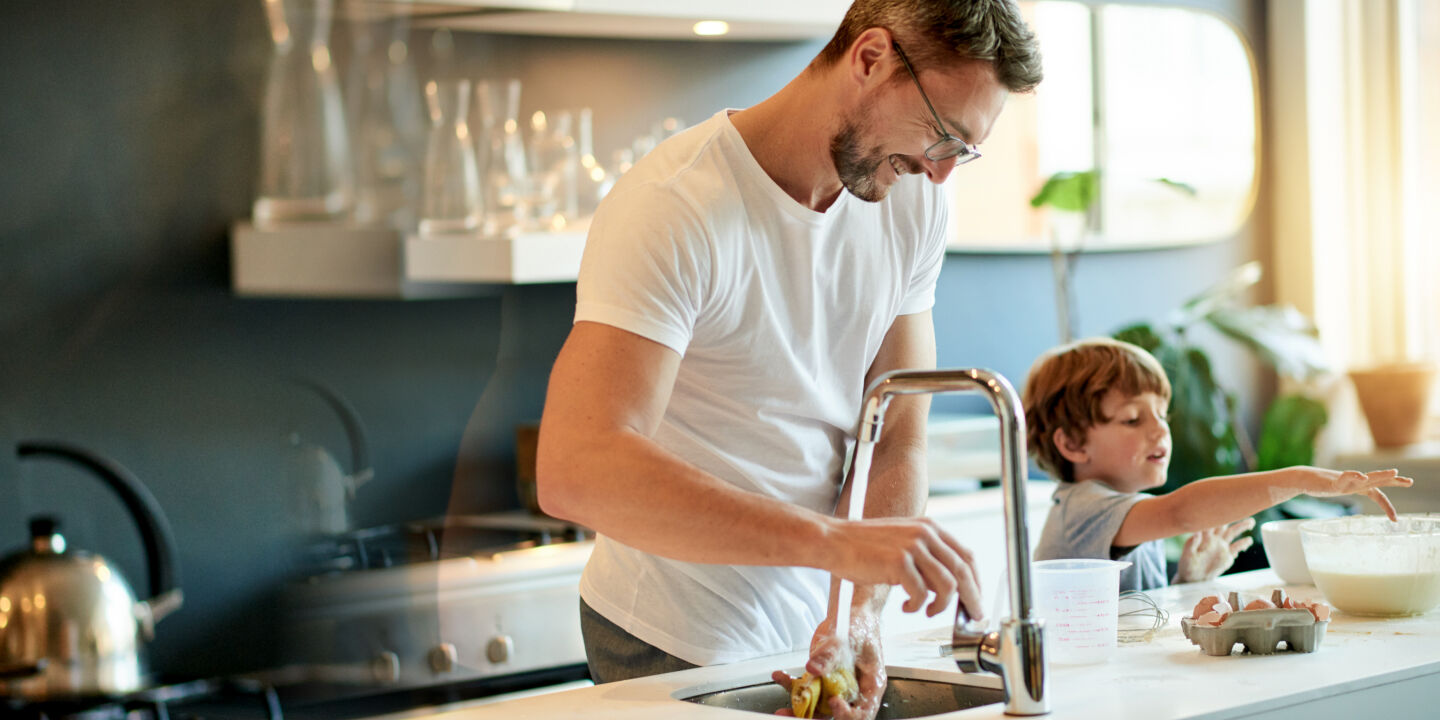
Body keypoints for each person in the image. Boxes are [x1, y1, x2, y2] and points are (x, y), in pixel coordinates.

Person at [534, 2, 1043, 718]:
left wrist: (856, 610)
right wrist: (839, 547)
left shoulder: (907, 201)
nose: (939, 174)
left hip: (812, 614)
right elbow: (577, 466)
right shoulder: (676, 205)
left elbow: (897, 434)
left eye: (961, 151)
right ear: (869, 59)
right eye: (942, 135)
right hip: (673, 627)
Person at [1023, 337, 1414, 591]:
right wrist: (1299, 479)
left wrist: (1185, 581)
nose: (1159, 430)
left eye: (1162, 414)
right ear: (1073, 444)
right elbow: (1180, 512)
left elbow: (1135, 617)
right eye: (1132, 419)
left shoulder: (1130, 513)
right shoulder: (1081, 509)